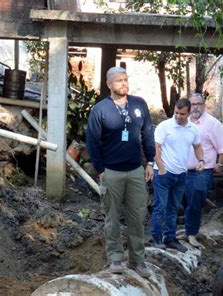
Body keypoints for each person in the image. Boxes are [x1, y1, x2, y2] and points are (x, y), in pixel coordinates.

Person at [86, 66, 154, 278]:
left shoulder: (139, 104)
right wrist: (100, 170)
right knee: (112, 218)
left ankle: (137, 261)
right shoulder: (100, 110)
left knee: (137, 217)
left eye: (125, 80)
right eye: (119, 81)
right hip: (112, 172)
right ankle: (115, 258)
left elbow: (148, 134)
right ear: (109, 85)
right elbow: (92, 141)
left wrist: (150, 162)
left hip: (135, 171)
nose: (124, 84)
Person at [152, 98, 204, 253]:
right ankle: (156, 238)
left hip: (181, 174)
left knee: (173, 208)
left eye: (182, 114)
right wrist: (161, 168)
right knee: (160, 207)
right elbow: (156, 149)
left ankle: (170, 238)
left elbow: (198, 146)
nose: (178, 116)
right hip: (163, 173)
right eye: (176, 113)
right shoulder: (165, 127)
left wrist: (201, 160)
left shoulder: (192, 129)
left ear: (188, 114)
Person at [180, 93, 223, 248]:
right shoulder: (183, 122)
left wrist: (220, 165)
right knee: (184, 201)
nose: (195, 107)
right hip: (182, 170)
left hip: (202, 170)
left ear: (204, 105)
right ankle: (188, 229)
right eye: (192, 104)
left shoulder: (213, 124)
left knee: (196, 200)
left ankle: (192, 234)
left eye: (198, 104)